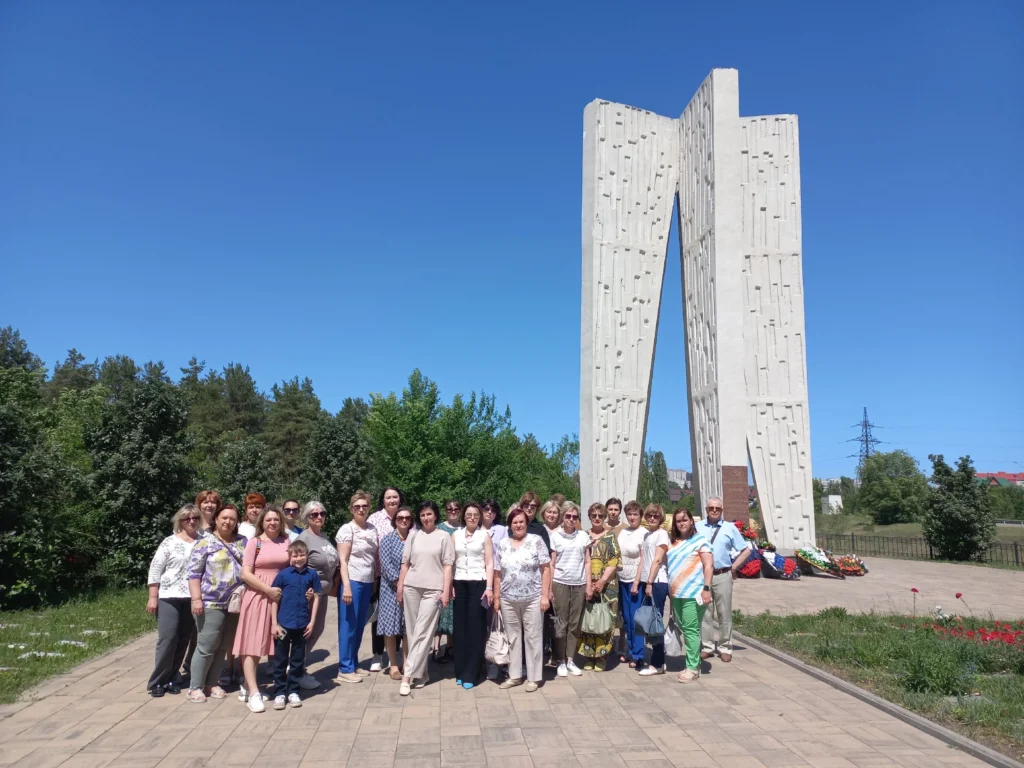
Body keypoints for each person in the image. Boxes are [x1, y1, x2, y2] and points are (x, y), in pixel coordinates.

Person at [645, 508, 714, 683]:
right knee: (684, 626)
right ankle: (694, 661)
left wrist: (707, 588)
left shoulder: (701, 541)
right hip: (676, 593)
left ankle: (692, 667)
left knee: (691, 629)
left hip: (694, 593)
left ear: (691, 521)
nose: (681, 523)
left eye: (685, 520)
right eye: (678, 521)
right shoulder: (674, 542)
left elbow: (708, 566)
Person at [186, 505, 247, 703]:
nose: (228, 522)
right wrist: (196, 599)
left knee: (223, 645)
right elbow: (194, 574)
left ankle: (212, 683)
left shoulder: (242, 542)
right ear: (216, 519)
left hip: (235, 603)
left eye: (232, 519)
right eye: (224, 518)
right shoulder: (204, 542)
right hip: (210, 602)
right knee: (206, 645)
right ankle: (195, 686)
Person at [233, 505, 290, 713]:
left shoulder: (286, 541)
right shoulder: (254, 543)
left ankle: (252, 687)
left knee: (275, 644)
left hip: (280, 597)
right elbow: (246, 574)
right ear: (262, 523)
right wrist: (268, 589)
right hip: (257, 595)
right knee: (253, 644)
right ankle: (254, 692)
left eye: (276, 519)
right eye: (268, 520)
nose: (272, 523)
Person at [397, 501, 455, 696]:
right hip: (412, 587)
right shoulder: (414, 536)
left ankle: (407, 676)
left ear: (435, 516)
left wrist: (446, 591)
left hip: (434, 589)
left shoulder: (444, 536)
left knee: (423, 631)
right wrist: (400, 585)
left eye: (429, 514)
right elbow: (405, 564)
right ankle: (422, 673)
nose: (426, 518)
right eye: (422, 515)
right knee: (413, 632)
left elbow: (448, 566)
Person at [145, 504, 203, 696]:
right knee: (168, 639)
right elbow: (155, 569)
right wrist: (153, 596)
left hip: (193, 597)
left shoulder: (205, 540)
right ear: (180, 521)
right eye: (187, 518)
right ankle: (157, 681)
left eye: (195, 517)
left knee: (183, 639)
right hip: (169, 596)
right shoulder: (169, 542)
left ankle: (172, 677)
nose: (192, 521)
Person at [494, 507, 551, 692]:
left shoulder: (536, 541)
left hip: (533, 598)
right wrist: (496, 597)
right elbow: (497, 573)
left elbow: (546, 568)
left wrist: (544, 595)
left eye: (521, 522)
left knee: (533, 637)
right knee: (513, 638)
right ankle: (515, 675)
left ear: (526, 523)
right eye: (514, 522)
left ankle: (534, 678)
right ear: (510, 525)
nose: (518, 525)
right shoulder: (502, 544)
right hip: (508, 599)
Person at [696, 496, 751, 663]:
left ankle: (725, 646)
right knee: (704, 612)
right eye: (711, 508)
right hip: (702, 576)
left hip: (722, 574)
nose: (714, 511)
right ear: (706, 510)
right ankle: (706, 646)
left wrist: (734, 567)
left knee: (724, 612)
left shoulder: (730, 528)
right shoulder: (697, 527)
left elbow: (745, 550)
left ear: (722, 511)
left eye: (717, 509)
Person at [269, 540, 321, 709]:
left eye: (302, 555)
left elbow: (317, 598)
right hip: (283, 624)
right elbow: (274, 599)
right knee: (280, 659)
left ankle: (293, 691)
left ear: (307, 556)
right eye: (295, 555)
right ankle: (279, 692)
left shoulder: (311, 575)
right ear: (290, 557)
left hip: (302, 624)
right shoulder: (283, 575)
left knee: (298, 660)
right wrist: (274, 623)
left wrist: (312, 622)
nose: (299, 558)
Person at [335, 491, 379, 683]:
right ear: (351, 509)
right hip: (351, 581)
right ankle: (344, 668)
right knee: (348, 625)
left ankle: (353, 663)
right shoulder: (347, 529)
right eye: (357, 507)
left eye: (364, 506)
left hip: (367, 580)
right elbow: (343, 561)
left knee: (360, 624)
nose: (361, 509)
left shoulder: (371, 529)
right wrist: (346, 587)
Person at [451, 501, 494, 690]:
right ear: (463, 516)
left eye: (476, 515)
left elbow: (490, 563)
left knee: (476, 628)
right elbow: (450, 562)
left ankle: (472, 672)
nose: (472, 518)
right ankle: (460, 670)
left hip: (479, 584)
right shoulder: (455, 535)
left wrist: (490, 587)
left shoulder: (484, 535)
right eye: (469, 514)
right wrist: (450, 584)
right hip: (459, 584)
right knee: (460, 628)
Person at [295, 500, 338, 689]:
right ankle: (297, 671)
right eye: (314, 515)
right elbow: (295, 565)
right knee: (307, 631)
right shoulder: (304, 538)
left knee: (317, 630)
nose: (319, 517)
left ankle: (297, 667)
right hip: (310, 594)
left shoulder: (324, 537)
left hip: (323, 594)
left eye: (322, 513)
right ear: (306, 518)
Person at [367, 486, 407, 672]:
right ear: (383, 500)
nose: (392, 500)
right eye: (388, 497)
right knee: (381, 617)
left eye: (395, 497)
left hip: (406, 578)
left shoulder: (406, 517)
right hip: (380, 575)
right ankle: (377, 654)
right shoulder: (374, 519)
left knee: (401, 618)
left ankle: (398, 655)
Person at [549, 501, 589, 678]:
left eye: (574, 517)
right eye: (568, 516)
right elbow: (551, 563)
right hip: (560, 583)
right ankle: (560, 660)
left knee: (574, 624)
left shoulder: (583, 536)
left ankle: (570, 658)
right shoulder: (555, 536)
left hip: (579, 583)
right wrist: (549, 588)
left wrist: (588, 585)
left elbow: (587, 562)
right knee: (561, 623)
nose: (571, 519)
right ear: (562, 517)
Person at [579, 503, 620, 671]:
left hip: (607, 585)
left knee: (605, 620)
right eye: (594, 515)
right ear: (589, 516)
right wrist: (591, 583)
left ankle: (602, 656)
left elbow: (615, 560)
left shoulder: (610, 537)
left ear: (604, 518)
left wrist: (602, 580)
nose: (597, 518)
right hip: (586, 583)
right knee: (588, 620)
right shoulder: (582, 536)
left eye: (600, 516)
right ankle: (589, 656)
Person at [378, 506, 413, 680]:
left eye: (407, 518)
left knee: (408, 628)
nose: (404, 520)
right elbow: (386, 566)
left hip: (412, 590)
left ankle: (406, 663)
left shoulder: (415, 539)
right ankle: (393, 664)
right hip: (390, 590)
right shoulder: (387, 540)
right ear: (395, 520)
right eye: (400, 518)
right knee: (391, 629)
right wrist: (400, 584)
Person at [634, 504, 669, 675]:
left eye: (655, 516)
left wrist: (649, 582)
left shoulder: (662, 534)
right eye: (649, 515)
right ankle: (657, 659)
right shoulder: (648, 534)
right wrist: (638, 581)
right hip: (646, 581)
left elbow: (657, 560)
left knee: (655, 621)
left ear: (660, 517)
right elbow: (644, 560)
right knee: (648, 620)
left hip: (657, 582)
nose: (652, 518)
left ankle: (658, 663)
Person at [615, 500, 647, 668]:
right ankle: (630, 650)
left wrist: (636, 582)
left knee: (636, 619)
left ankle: (638, 654)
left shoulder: (644, 533)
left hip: (636, 582)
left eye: (635, 514)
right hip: (622, 580)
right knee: (627, 619)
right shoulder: (623, 532)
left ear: (640, 516)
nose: (632, 517)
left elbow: (643, 559)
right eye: (630, 514)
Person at [433, 499, 461, 663]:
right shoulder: (439, 528)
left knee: (453, 613)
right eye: (449, 509)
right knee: (440, 611)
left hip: (459, 575)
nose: (453, 511)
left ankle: (451, 647)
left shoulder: (463, 528)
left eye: (456, 508)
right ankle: (436, 647)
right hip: (442, 574)